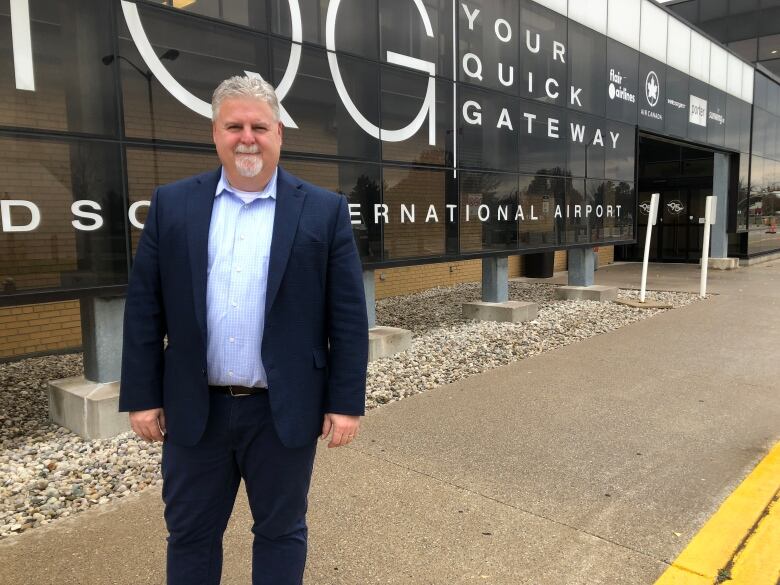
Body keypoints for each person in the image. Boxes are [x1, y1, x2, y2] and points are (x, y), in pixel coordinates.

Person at [119, 75, 369, 585]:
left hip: (282, 412)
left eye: (259, 125)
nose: (247, 137)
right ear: (215, 133)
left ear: (279, 132)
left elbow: (347, 317)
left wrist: (345, 403)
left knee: (281, 532)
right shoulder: (173, 205)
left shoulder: (324, 210)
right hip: (195, 410)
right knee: (189, 534)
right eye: (234, 126)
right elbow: (145, 308)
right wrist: (142, 396)